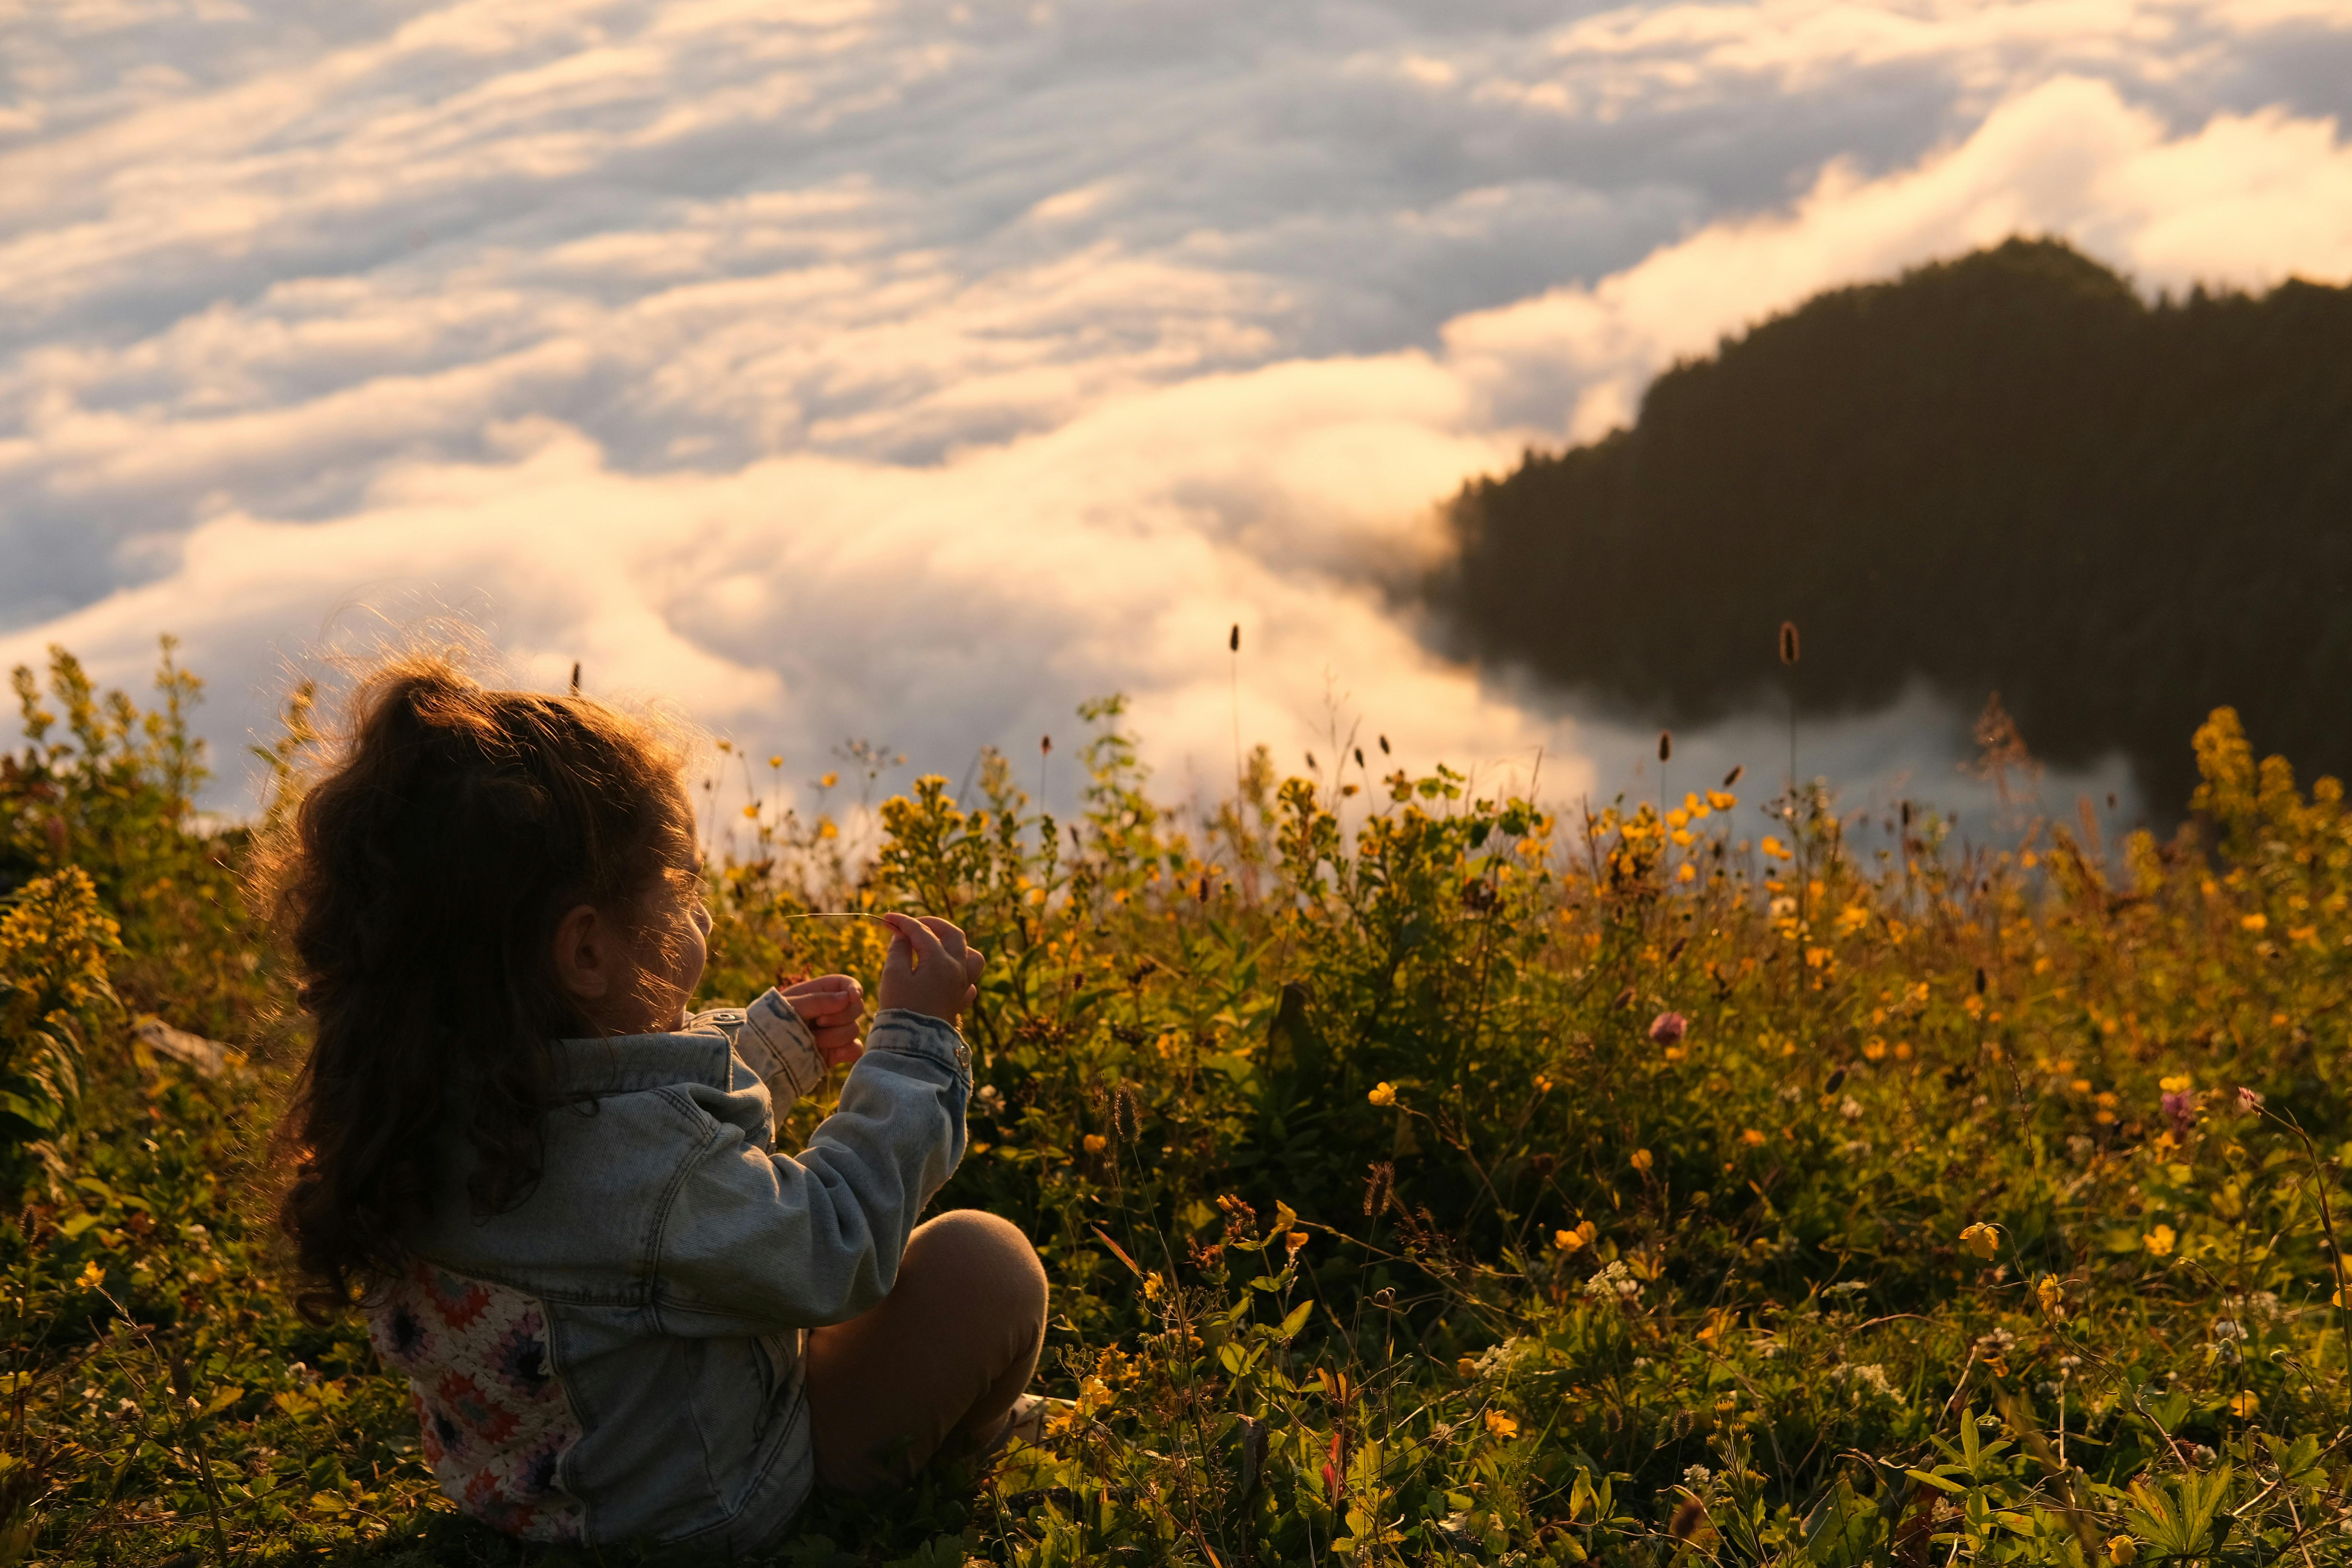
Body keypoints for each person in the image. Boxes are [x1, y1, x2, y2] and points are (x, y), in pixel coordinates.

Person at [259, 654, 1047, 1552]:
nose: (701, 918)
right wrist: (915, 1046)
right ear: (586, 953)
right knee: (982, 1266)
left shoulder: (422, 1097)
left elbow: (629, 1136)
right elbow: (833, 1247)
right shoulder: (651, 1174)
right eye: (680, 891)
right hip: (716, 1509)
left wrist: (770, 1051)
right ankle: (964, 1447)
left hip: (536, 1499)